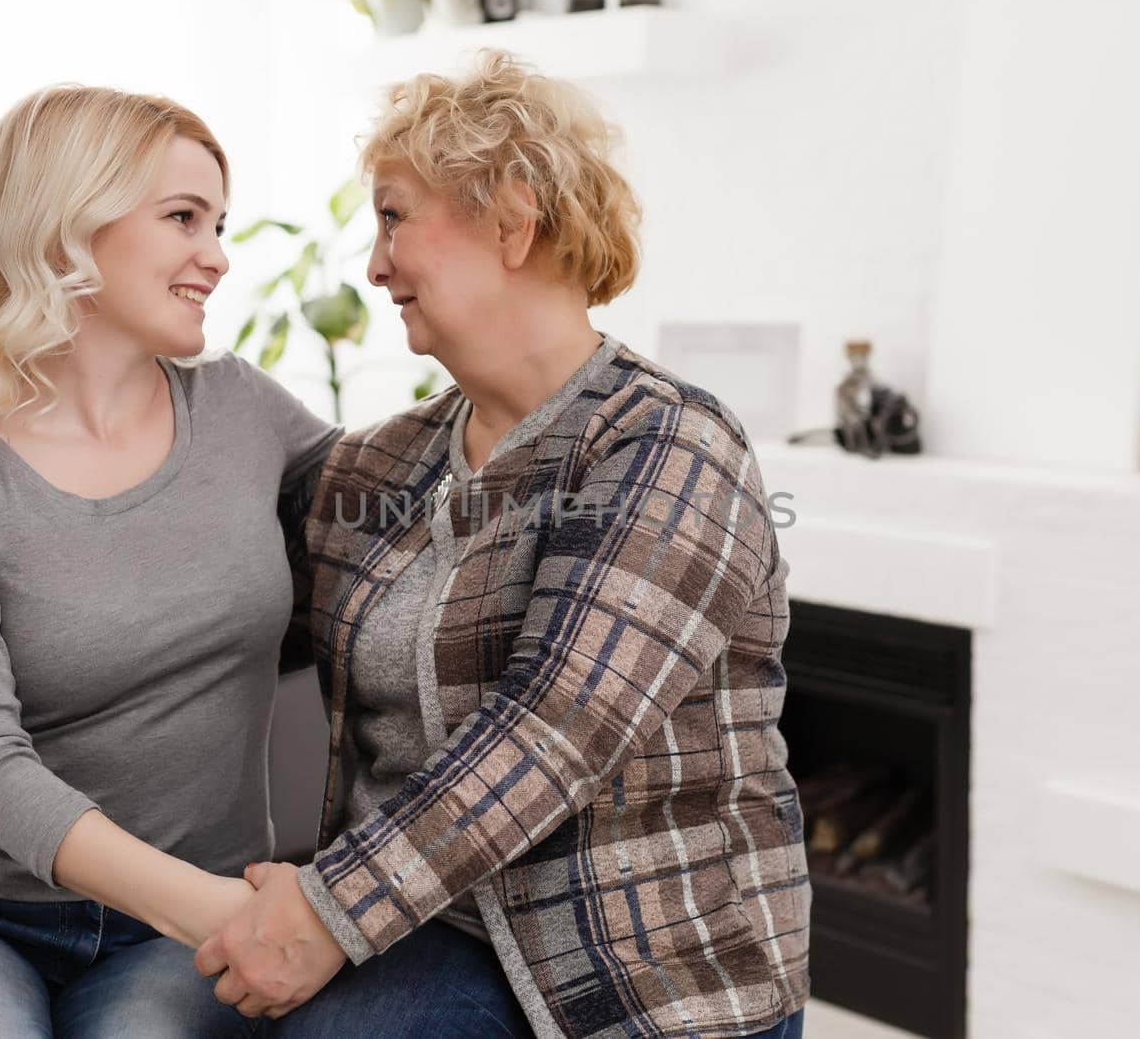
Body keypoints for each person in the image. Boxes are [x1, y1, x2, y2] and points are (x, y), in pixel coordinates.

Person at [196, 50, 810, 1039]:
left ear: (510, 220)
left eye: (394, 215)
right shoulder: (376, 465)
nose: (373, 262)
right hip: (426, 927)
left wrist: (324, 909)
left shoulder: (669, 442)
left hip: (644, 960)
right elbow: (221, 632)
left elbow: (554, 727)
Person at [0, 85, 339, 1037]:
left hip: (173, 942)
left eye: (219, 222)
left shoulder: (241, 408)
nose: (218, 256)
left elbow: (407, 500)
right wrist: (226, 911)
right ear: (69, 227)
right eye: (183, 218)